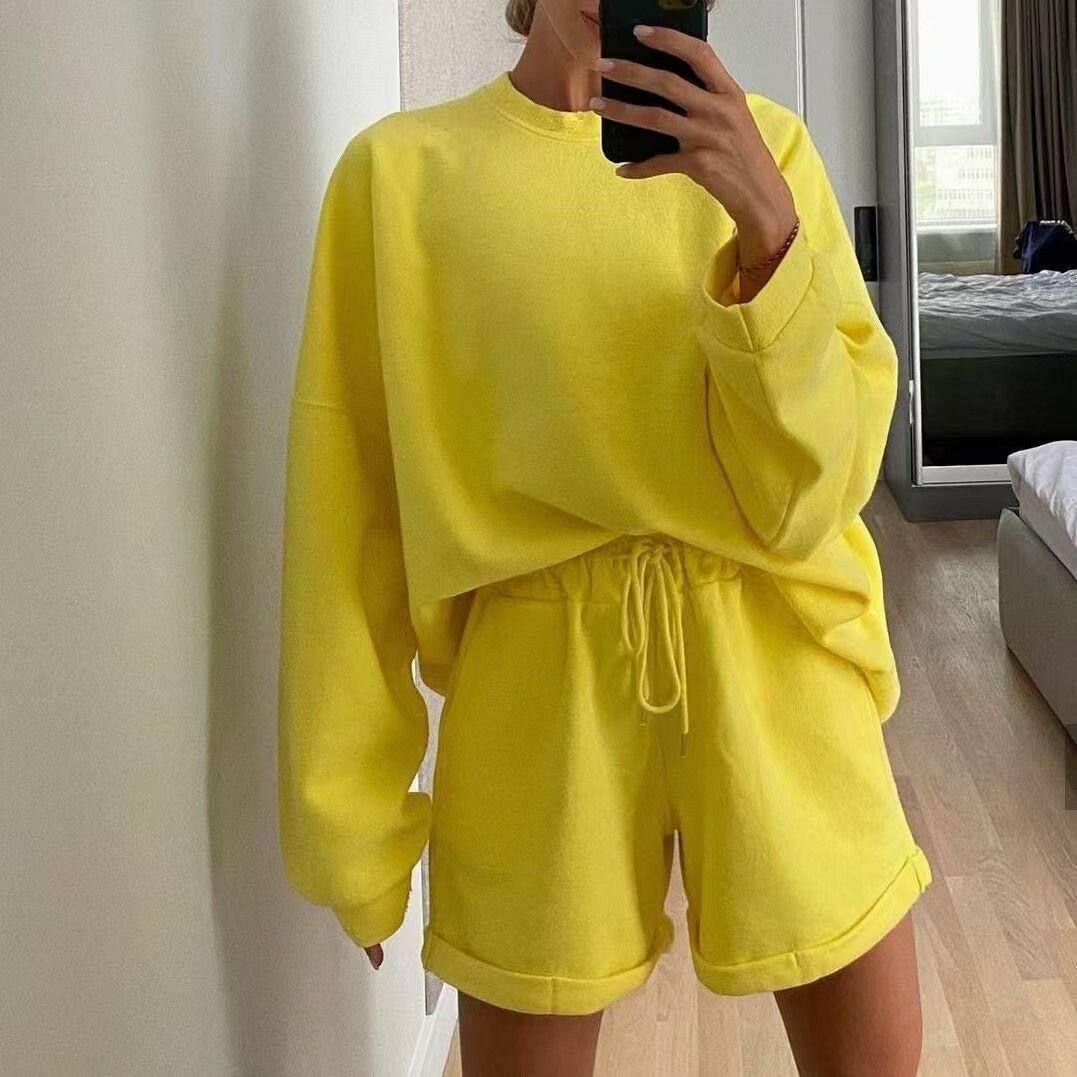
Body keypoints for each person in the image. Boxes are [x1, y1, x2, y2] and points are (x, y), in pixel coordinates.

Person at [276, 1, 933, 1073]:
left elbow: (818, 490)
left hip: (777, 656)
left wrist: (769, 233)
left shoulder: (768, 149)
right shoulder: (397, 178)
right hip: (534, 683)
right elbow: (347, 518)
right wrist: (351, 827)